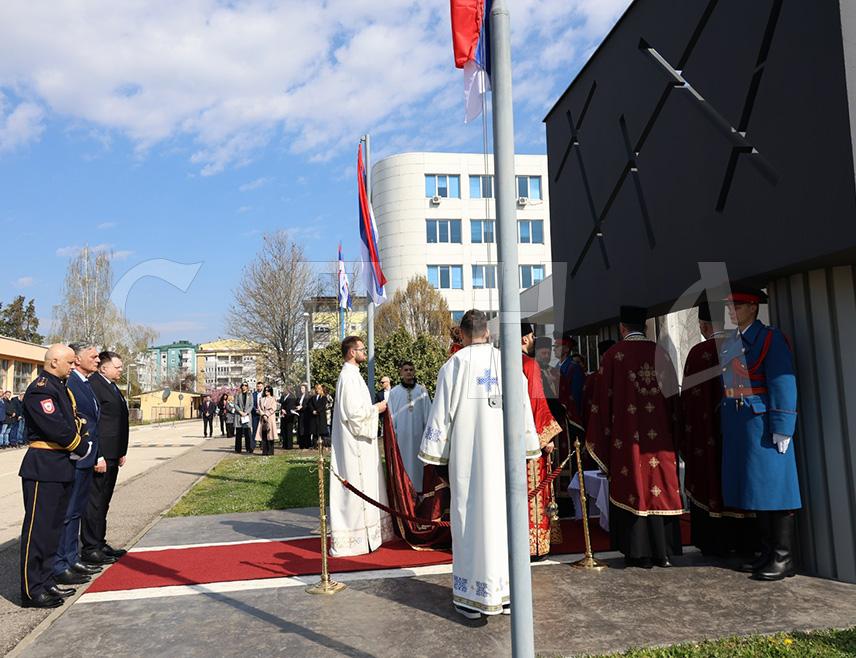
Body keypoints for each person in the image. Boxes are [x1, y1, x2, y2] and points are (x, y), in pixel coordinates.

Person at [419, 310, 540, 619]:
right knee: (503, 523)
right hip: (504, 462)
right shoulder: (509, 364)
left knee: (470, 524)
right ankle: (507, 594)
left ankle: (472, 597)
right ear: (487, 332)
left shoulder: (454, 366)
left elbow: (441, 417)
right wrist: (529, 444)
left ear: (461, 334)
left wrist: (435, 455)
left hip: (469, 464)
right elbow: (523, 408)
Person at [585, 306, 684, 569]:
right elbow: (674, 400)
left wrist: (601, 438)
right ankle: (663, 552)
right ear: (646, 327)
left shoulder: (613, 356)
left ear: (622, 328)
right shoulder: (660, 353)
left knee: (633, 486)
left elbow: (600, 405)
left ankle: (637, 553)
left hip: (627, 439)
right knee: (660, 483)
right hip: (660, 439)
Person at [719, 285, 801, 581]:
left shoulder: (770, 338)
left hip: (763, 423)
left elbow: (782, 382)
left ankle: (783, 557)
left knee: (775, 489)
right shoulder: (732, 341)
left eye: (737, 306)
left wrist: (783, 427)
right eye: (730, 307)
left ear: (753, 308)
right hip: (741, 424)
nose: (732, 311)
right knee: (756, 491)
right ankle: (767, 552)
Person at [19, 344, 92, 608]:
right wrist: (80, 445)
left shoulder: (61, 387)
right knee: (38, 530)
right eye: (70, 363)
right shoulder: (42, 388)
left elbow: (76, 419)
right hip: (44, 465)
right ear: (53, 362)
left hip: (60, 464)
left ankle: (46, 579)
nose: (73, 367)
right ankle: (32, 590)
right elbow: (55, 426)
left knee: (52, 530)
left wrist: (80, 437)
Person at [681, 301, 750, 557]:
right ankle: (744, 540)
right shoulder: (739, 347)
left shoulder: (698, 354)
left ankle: (713, 542)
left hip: (705, 436)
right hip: (736, 434)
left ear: (704, 325)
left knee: (710, 478)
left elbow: (688, 401)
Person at [329, 336, 393, 557]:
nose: (365, 352)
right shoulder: (347, 377)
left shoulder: (355, 376)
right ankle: (355, 540)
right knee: (357, 486)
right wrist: (377, 409)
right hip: (353, 446)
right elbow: (354, 415)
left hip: (362, 444)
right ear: (351, 353)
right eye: (361, 349)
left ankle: (369, 537)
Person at [53, 344, 103, 590]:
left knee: (75, 512)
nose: (97, 359)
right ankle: (61, 563)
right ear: (78, 358)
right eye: (92, 356)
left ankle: (71, 559)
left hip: (86, 456)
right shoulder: (70, 382)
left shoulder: (84, 383)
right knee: (68, 512)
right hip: (76, 456)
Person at [81, 350, 130, 566]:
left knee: (104, 501)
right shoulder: (94, 385)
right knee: (95, 501)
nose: (120, 370)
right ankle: (90, 547)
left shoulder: (111, 386)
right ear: (104, 367)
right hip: (101, 454)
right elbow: (94, 423)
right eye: (117, 367)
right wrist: (98, 454)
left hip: (113, 452)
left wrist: (120, 450)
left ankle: (99, 542)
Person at [520, 322, 562, 559]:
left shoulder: (498, 364)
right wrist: (545, 437)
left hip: (504, 442)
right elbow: (536, 403)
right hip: (530, 442)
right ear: (525, 339)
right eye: (532, 336)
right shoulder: (529, 365)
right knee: (533, 491)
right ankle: (534, 546)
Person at [386, 361, 431, 492]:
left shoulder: (422, 391)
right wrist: (393, 434)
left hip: (419, 438)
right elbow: (390, 416)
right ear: (401, 373)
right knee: (404, 466)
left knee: (419, 468)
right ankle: (405, 492)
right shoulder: (394, 393)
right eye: (405, 370)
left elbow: (428, 414)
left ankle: (420, 493)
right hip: (402, 439)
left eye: (411, 369)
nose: (409, 372)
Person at [255, 385, 277, 456]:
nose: (266, 392)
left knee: (270, 434)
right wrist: (263, 414)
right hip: (262, 417)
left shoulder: (273, 399)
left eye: (268, 390)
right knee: (264, 434)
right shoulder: (262, 399)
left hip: (270, 418)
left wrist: (266, 415)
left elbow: (273, 408)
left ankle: (270, 451)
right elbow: (259, 408)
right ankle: (264, 451)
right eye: (265, 390)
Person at [233, 383, 254, 453]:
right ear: (241, 387)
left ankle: (249, 448)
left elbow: (251, 405)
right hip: (239, 415)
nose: (244, 387)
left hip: (247, 416)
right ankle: (238, 449)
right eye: (243, 386)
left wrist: (246, 412)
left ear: (247, 387)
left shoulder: (250, 395)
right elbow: (235, 404)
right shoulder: (237, 395)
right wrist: (240, 412)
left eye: (245, 386)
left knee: (247, 433)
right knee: (238, 433)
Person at [308, 383, 328, 448]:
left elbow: (322, 406)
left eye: (318, 389)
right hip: (314, 417)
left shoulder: (324, 397)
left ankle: (323, 445)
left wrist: (317, 411)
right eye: (316, 389)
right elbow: (310, 404)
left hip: (320, 416)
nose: (317, 390)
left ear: (321, 389)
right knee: (314, 432)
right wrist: (312, 410)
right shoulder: (313, 397)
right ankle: (315, 445)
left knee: (321, 432)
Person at [296, 383, 312, 449]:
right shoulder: (300, 396)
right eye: (301, 388)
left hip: (306, 415)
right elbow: (297, 402)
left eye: (303, 388)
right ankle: (301, 444)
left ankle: (307, 444)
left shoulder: (308, 396)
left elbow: (308, 405)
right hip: (300, 414)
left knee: (306, 429)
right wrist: (296, 407)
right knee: (300, 429)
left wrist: (301, 407)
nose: (301, 389)